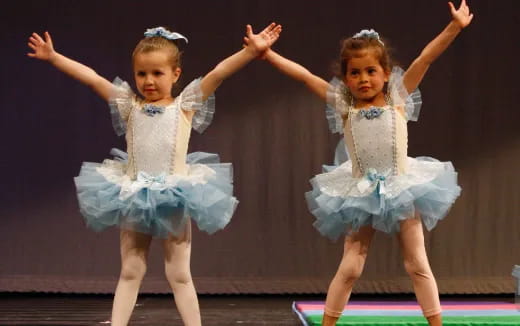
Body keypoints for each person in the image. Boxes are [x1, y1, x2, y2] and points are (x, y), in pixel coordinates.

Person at [27, 23, 281, 326]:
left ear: (175, 74)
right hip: (134, 194)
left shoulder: (184, 106)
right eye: (141, 74)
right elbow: (93, 79)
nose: (148, 81)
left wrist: (250, 52)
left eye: (157, 73)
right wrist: (55, 58)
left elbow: (218, 73)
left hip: (174, 195)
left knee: (179, 274)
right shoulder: (129, 106)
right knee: (131, 270)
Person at [250, 2, 473, 325]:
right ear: (346, 78)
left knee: (417, 263)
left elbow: (425, 58)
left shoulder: (398, 97)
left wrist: (454, 27)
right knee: (352, 265)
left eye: (371, 71)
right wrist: (267, 54)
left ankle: (436, 323)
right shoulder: (343, 105)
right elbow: (304, 76)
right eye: (355, 73)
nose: (364, 79)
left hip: (401, 187)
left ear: (386, 74)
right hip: (359, 190)